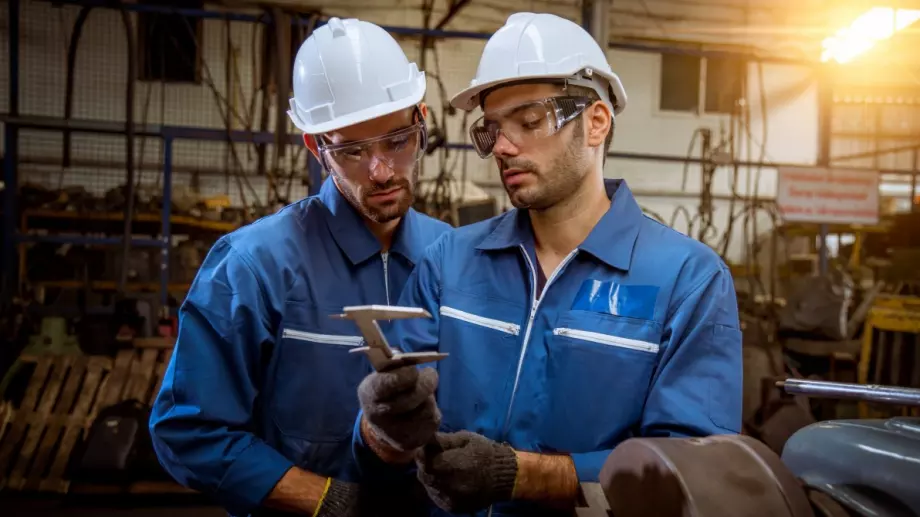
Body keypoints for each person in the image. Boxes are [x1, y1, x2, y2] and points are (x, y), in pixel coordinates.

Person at [350, 12, 743, 517]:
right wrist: (381, 428)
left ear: (596, 122)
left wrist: (522, 476)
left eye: (530, 121)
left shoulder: (687, 280)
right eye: (492, 130)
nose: (504, 148)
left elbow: (690, 472)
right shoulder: (449, 262)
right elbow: (382, 454)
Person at [148, 17, 452, 517]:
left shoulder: (453, 257)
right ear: (316, 147)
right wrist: (325, 501)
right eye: (352, 150)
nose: (381, 171)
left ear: (422, 119)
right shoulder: (253, 265)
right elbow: (188, 431)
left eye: (398, 140)